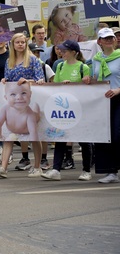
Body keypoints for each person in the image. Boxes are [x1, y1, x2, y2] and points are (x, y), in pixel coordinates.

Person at [0, 33, 45, 179]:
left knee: (34, 135)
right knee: (10, 134)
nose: (20, 44)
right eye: (17, 42)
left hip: (29, 100)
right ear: (13, 45)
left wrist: (27, 80)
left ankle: (37, 166)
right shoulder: (9, 61)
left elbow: (40, 80)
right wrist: (4, 80)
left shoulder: (33, 59)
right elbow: (8, 79)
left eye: (23, 42)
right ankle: (3, 167)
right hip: (14, 102)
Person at [41, 39, 93, 181]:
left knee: (83, 140)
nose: (61, 52)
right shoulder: (59, 66)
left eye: (65, 50)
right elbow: (56, 85)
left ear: (74, 53)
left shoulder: (83, 67)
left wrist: (75, 85)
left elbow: (87, 88)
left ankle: (86, 170)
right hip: (63, 109)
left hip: (78, 108)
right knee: (60, 138)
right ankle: (56, 169)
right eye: (61, 50)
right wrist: (62, 85)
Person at [91, 27, 120, 184]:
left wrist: (117, 90)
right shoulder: (96, 59)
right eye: (105, 38)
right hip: (102, 101)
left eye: (111, 38)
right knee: (104, 136)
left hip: (118, 98)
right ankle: (111, 171)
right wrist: (89, 80)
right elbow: (96, 79)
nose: (109, 40)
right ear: (99, 42)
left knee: (117, 134)